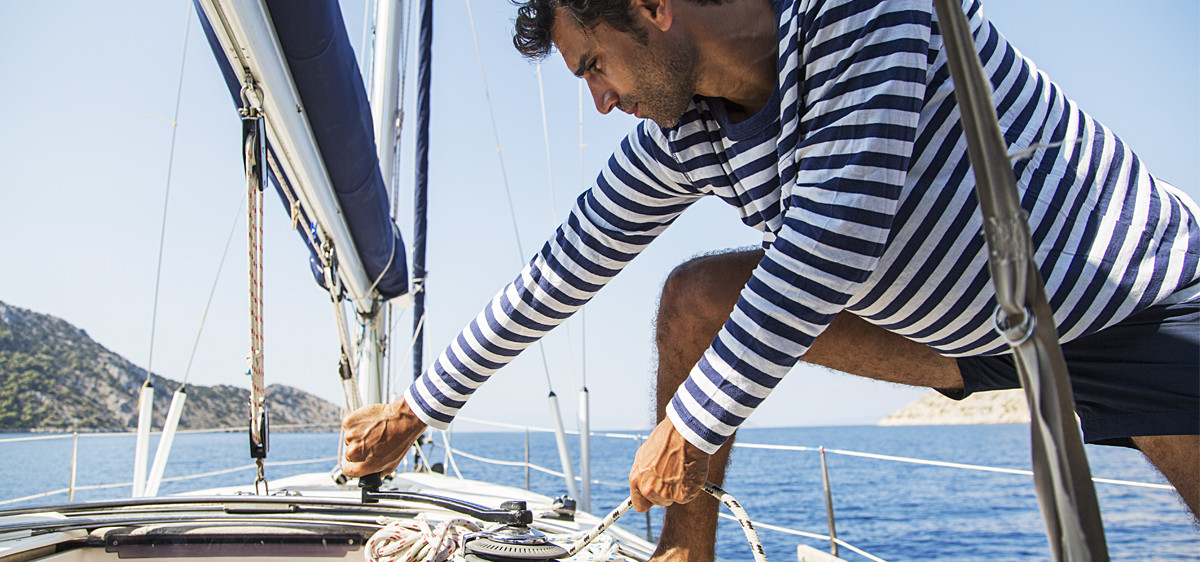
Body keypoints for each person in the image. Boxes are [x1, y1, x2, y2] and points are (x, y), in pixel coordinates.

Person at [343, 0, 1200, 558]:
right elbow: (559, 269)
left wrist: (692, 420)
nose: (599, 100)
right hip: (957, 339)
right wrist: (417, 410)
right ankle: (687, 552)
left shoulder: (862, 11)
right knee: (697, 298)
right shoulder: (689, 129)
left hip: (1127, 305)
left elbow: (835, 238)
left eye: (594, 65)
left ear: (652, 8)